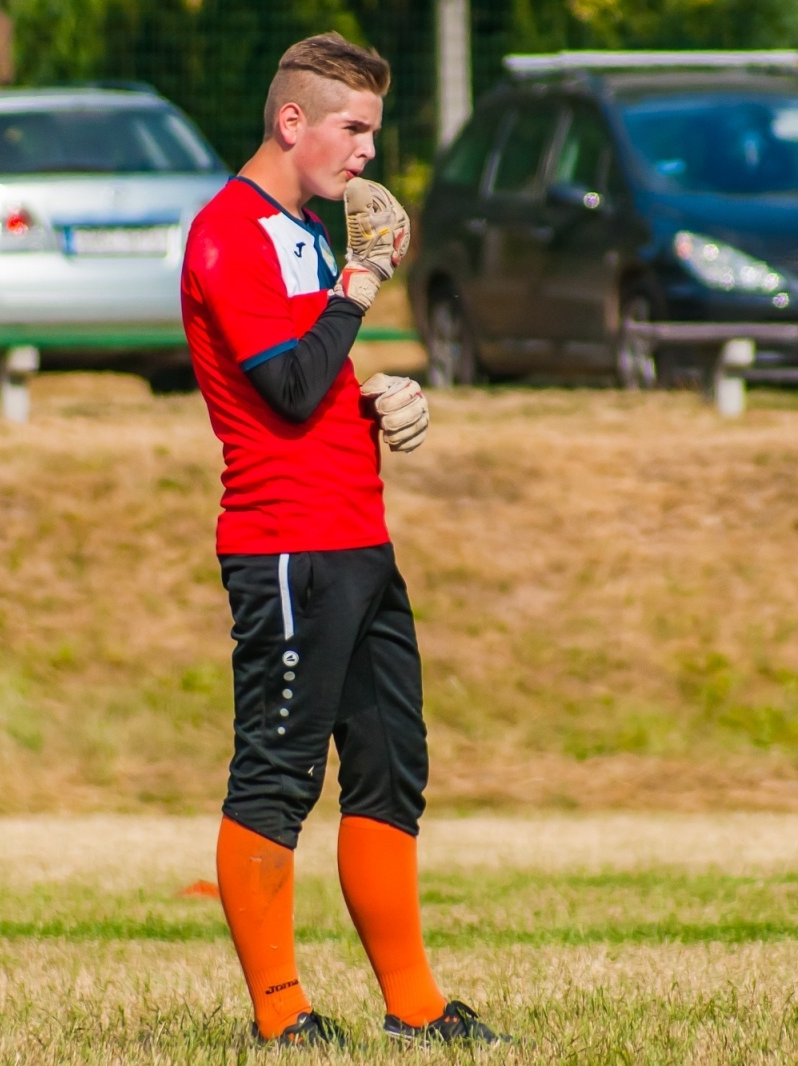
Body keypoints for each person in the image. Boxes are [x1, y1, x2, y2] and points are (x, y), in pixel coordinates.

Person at [179, 31, 509, 1049]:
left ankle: (413, 1005)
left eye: (371, 129)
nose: (367, 153)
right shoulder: (229, 231)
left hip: (358, 538)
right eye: (352, 129)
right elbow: (277, 387)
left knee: (389, 768)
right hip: (286, 549)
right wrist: (365, 280)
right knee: (278, 774)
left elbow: (309, 372)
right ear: (293, 123)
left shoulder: (304, 235)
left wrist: (377, 399)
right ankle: (282, 1016)